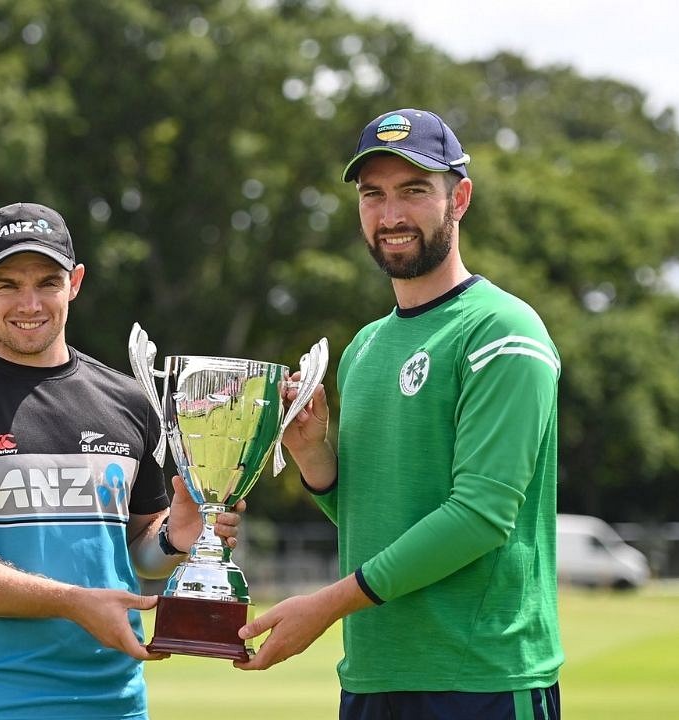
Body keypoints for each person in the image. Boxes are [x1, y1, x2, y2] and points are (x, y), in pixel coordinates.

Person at [236, 108, 564, 719]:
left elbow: (479, 516)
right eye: (373, 195)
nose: (391, 216)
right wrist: (313, 456)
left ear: (459, 197)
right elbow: (368, 512)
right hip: (374, 677)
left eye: (414, 192)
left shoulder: (502, 331)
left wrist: (327, 605)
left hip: (482, 679)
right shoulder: (363, 347)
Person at [0, 201, 242, 720]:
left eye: (47, 282)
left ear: (74, 282)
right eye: (7, 284)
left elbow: (141, 553)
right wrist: (72, 601)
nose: (29, 302)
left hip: (116, 698)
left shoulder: (127, 400)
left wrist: (177, 537)